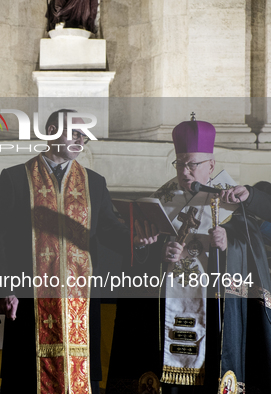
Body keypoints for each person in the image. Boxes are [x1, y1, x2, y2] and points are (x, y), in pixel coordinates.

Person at [107, 117, 271, 393]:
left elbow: (254, 245)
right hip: (168, 306)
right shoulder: (161, 199)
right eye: (180, 163)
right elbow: (138, 256)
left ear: (211, 165)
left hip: (215, 304)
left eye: (192, 164)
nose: (185, 171)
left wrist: (229, 242)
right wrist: (158, 250)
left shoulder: (232, 199)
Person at [0, 109, 132, 394]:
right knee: (26, 377)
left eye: (84, 136)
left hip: (80, 297)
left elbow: (111, 232)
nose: (81, 140)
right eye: (75, 133)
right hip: (29, 296)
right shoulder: (16, 178)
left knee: (81, 375)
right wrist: (5, 289)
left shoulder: (94, 182)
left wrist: (138, 240)